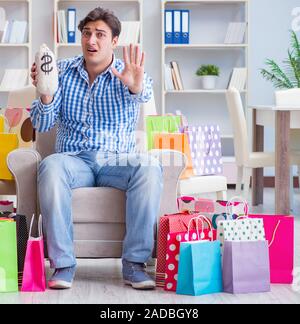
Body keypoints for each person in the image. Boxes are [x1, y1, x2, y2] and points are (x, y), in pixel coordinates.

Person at [30, 7, 163, 290]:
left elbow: (145, 91)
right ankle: (63, 265)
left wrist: (136, 87)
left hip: (115, 160)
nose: (91, 40)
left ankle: (134, 264)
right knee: (50, 166)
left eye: (100, 35)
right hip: (73, 159)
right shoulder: (61, 71)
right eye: (87, 33)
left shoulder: (128, 73)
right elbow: (41, 125)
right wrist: (45, 91)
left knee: (149, 166)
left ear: (114, 41)